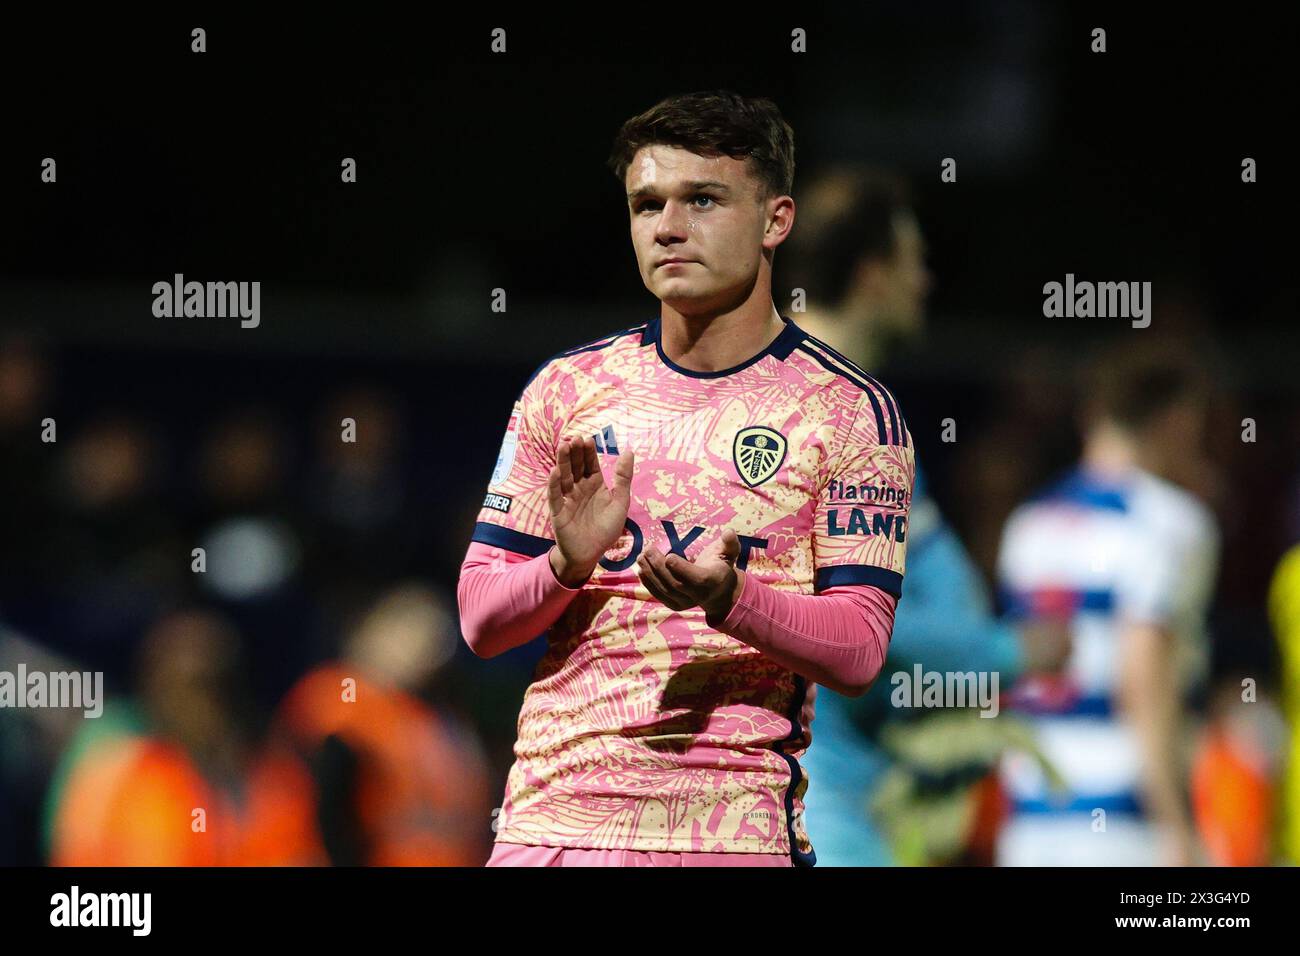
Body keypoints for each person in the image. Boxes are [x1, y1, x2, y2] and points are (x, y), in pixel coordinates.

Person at [456, 90, 915, 867]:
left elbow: (861, 649)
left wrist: (733, 599)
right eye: (646, 205)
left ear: (776, 220)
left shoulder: (849, 414)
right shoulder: (565, 391)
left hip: (729, 837)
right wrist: (565, 565)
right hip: (550, 834)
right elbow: (480, 621)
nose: (667, 226)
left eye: (703, 199)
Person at [777, 166, 1067, 865]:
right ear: (874, 274)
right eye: (916, 262)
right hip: (820, 817)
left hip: (849, 807)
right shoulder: (823, 415)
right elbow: (854, 617)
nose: (927, 283)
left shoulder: (847, 408)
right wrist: (1007, 655)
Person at [994, 343, 1220, 866]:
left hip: (1031, 815)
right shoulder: (1171, 523)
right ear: (1178, 419)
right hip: (1125, 821)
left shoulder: (1027, 525)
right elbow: (1145, 679)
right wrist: (1178, 827)